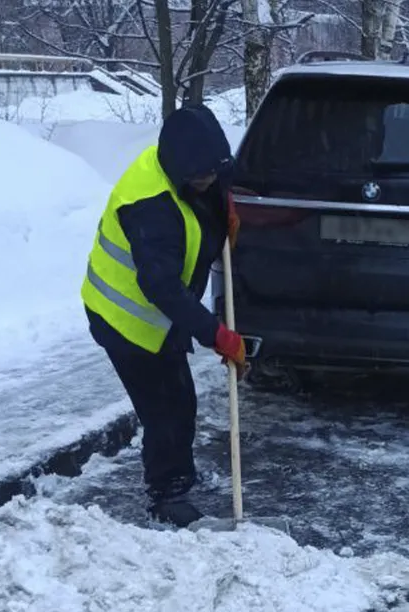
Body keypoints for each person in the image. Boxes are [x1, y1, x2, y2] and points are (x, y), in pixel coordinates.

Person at [81, 103, 248, 529]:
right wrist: (217, 335)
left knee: (182, 400)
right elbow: (162, 288)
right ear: (180, 169)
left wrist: (224, 208)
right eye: (201, 177)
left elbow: (221, 178)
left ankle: (178, 475)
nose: (208, 181)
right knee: (166, 410)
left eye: (212, 173)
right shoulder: (149, 206)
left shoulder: (194, 166)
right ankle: (166, 496)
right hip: (125, 319)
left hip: (162, 316)